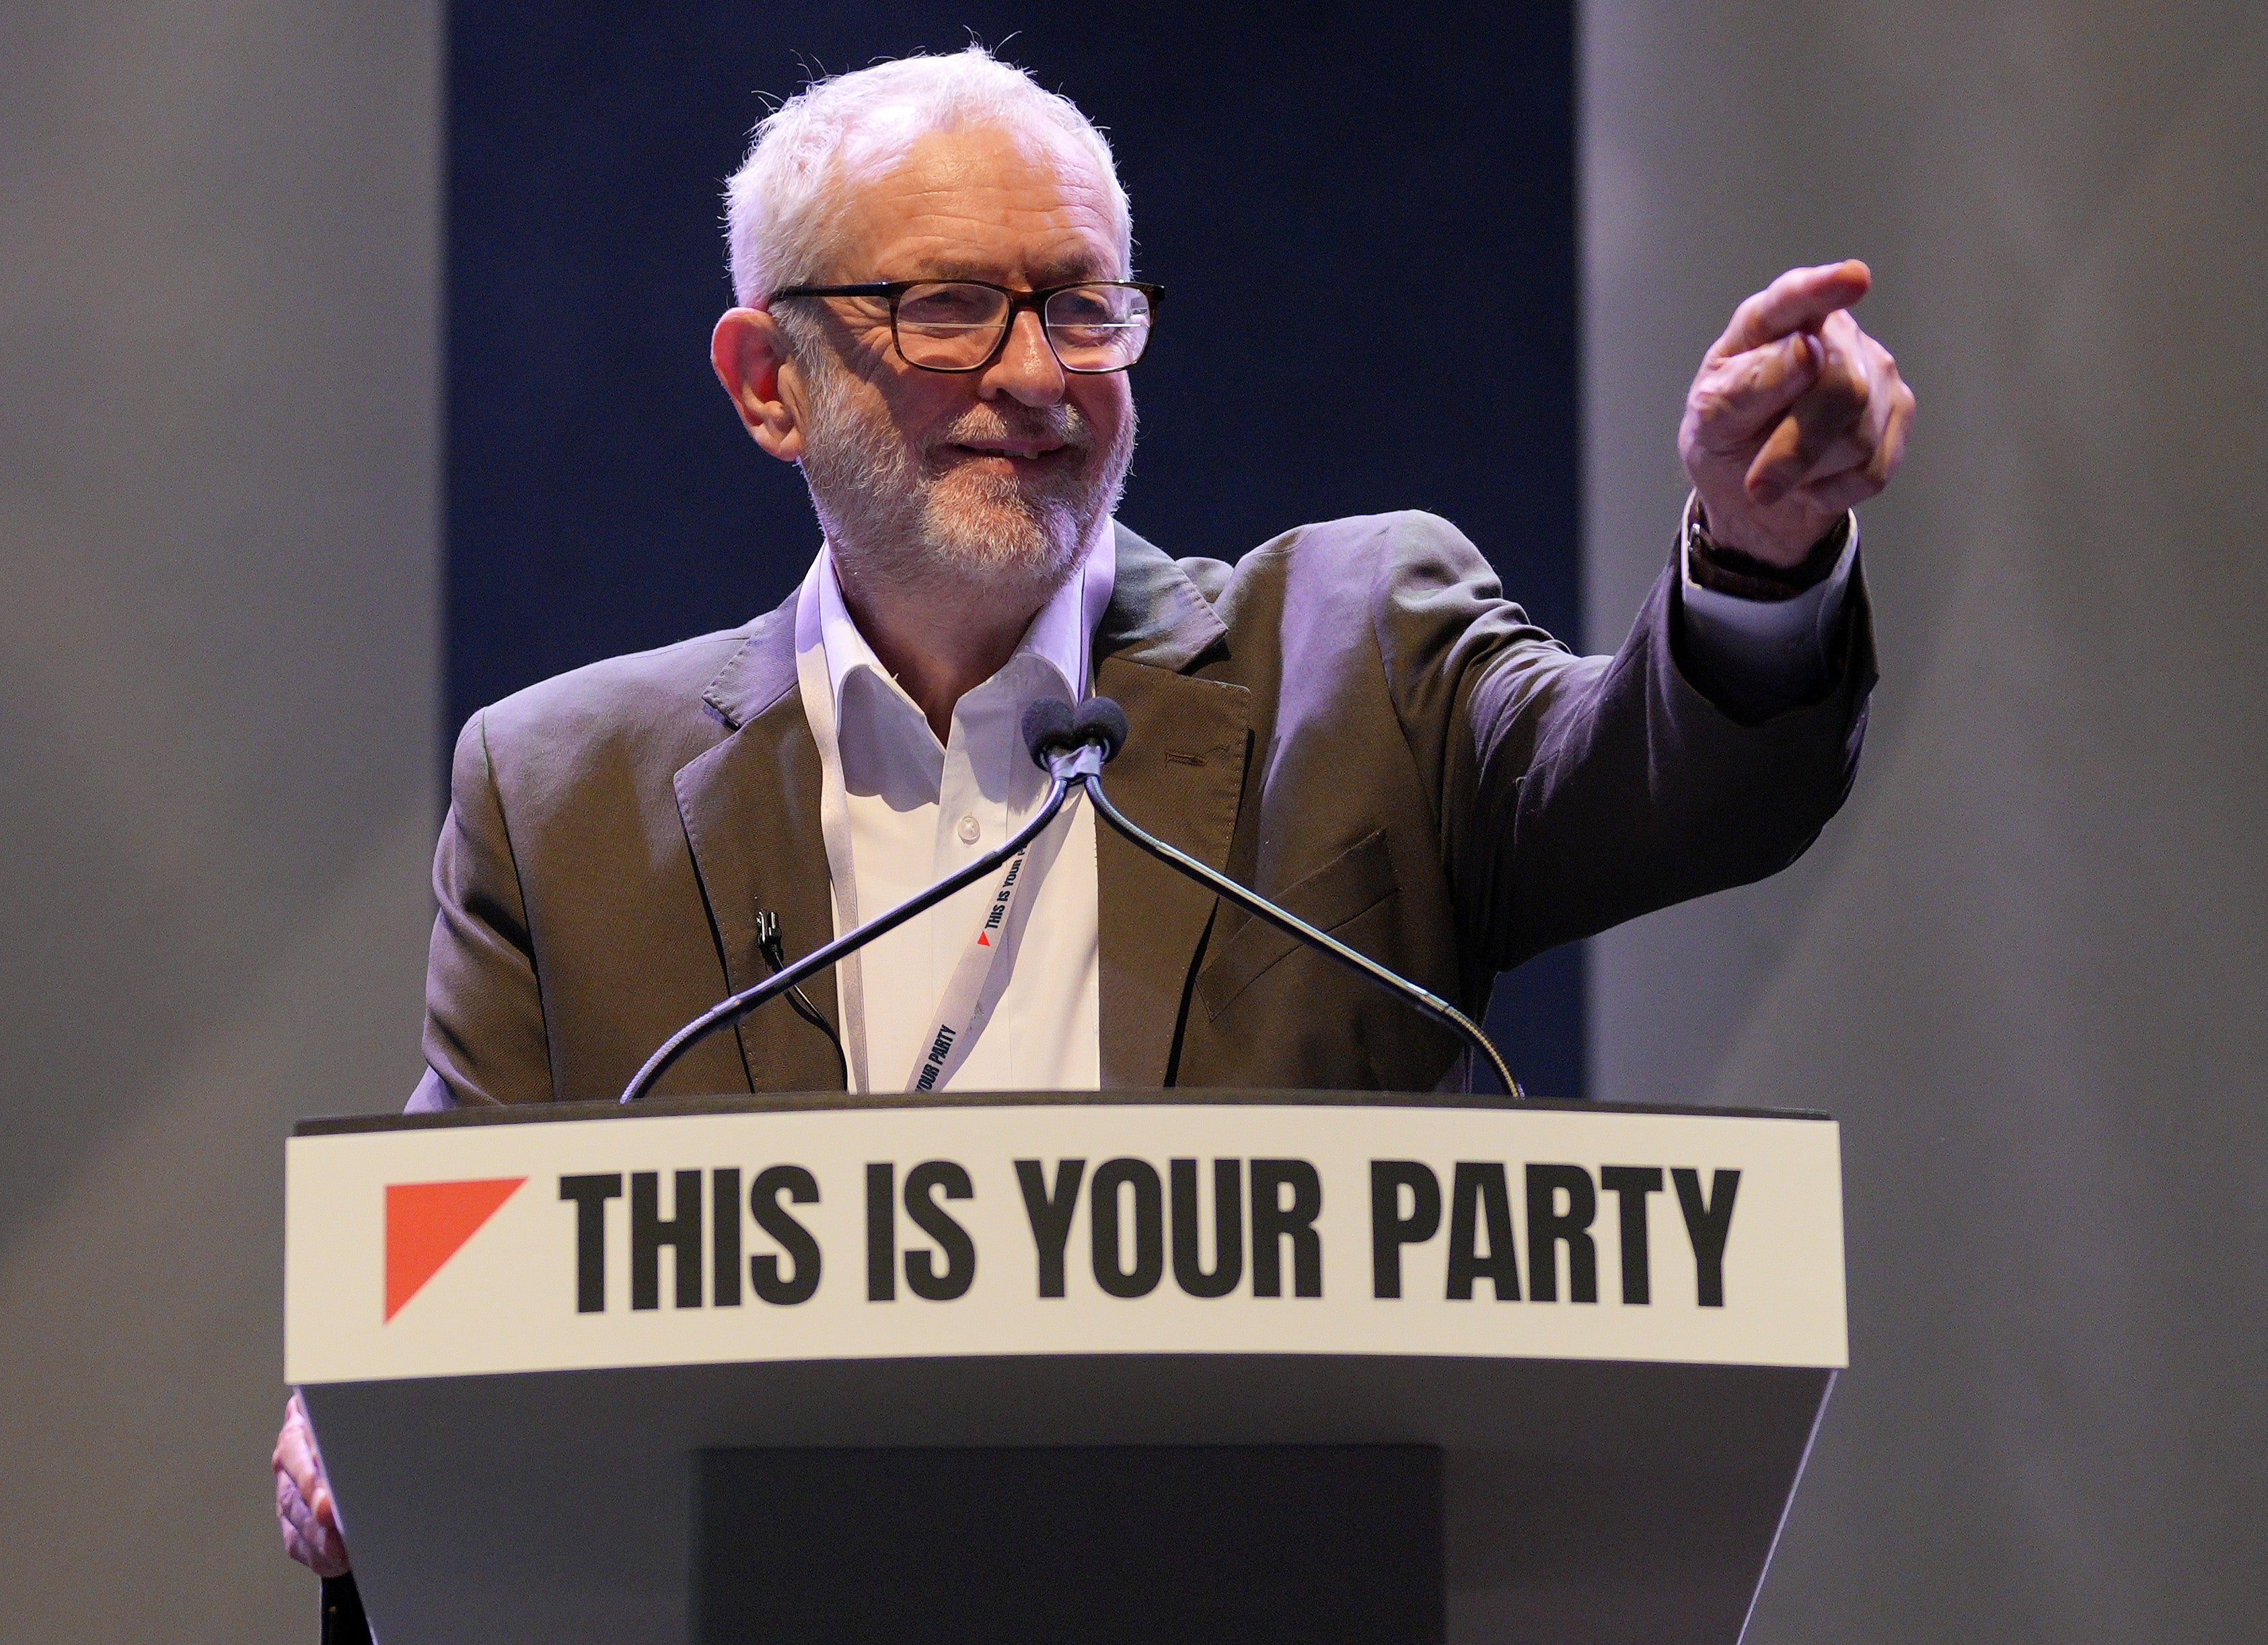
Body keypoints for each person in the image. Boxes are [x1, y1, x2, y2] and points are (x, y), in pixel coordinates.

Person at [275, 46, 1914, 1578]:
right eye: (948, 308)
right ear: (769, 380)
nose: (1035, 373)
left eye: (1079, 307)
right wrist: (363, 1411)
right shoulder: (563, 790)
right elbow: (448, 1257)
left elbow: (1665, 785)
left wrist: (1755, 552)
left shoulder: (1356, 652)